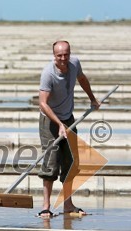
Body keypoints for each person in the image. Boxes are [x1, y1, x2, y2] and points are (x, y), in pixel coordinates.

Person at [37, 40, 100, 219]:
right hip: (50, 120)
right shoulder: (48, 74)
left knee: (70, 162)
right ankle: (46, 206)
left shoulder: (75, 64)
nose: (63, 59)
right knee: (50, 163)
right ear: (54, 56)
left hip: (68, 118)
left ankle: (68, 204)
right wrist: (58, 125)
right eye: (59, 56)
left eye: (66, 55)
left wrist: (93, 99)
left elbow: (82, 79)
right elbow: (43, 103)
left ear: (70, 54)